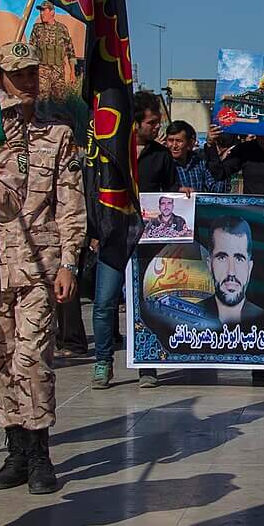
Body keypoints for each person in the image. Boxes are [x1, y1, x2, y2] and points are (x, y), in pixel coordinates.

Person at [0, 43, 85, 495]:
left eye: (31, 74)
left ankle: (40, 449)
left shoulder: (57, 134)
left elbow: (70, 202)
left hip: (39, 264)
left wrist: (69, 260)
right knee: (0, 360)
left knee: (34, 357)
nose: (25, 82)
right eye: (16, 74)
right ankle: (15, 448)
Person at [93, 90, 172, 390]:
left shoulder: (161, 156)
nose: (157, 128)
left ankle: (147, 363)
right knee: (104, 303)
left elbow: (171, 191)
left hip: (148, 243)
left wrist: (182, 194)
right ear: (135, 123)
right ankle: (103, 362)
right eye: (152, 122)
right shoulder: (109, 150)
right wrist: (93, 232)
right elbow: (94, 191)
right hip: (113, 238)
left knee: (148, 303)